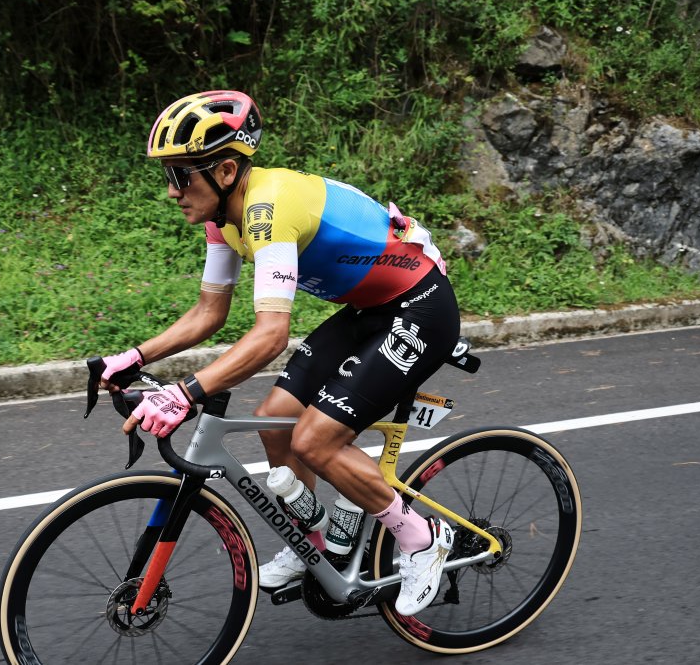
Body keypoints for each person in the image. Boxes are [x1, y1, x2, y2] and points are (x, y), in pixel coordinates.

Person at [96, 90, 460, 616]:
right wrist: (132, 357)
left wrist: (184, 392)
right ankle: (311, 544)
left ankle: (422, 538)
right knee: (272, 421)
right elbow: (209, 313)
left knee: (314, 440)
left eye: (180, 176)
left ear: (224, 170)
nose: (171, 191)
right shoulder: (222, 218)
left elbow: (270, 336)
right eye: (168, 177)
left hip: (419, 307)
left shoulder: (267, 208)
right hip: (369, 308)